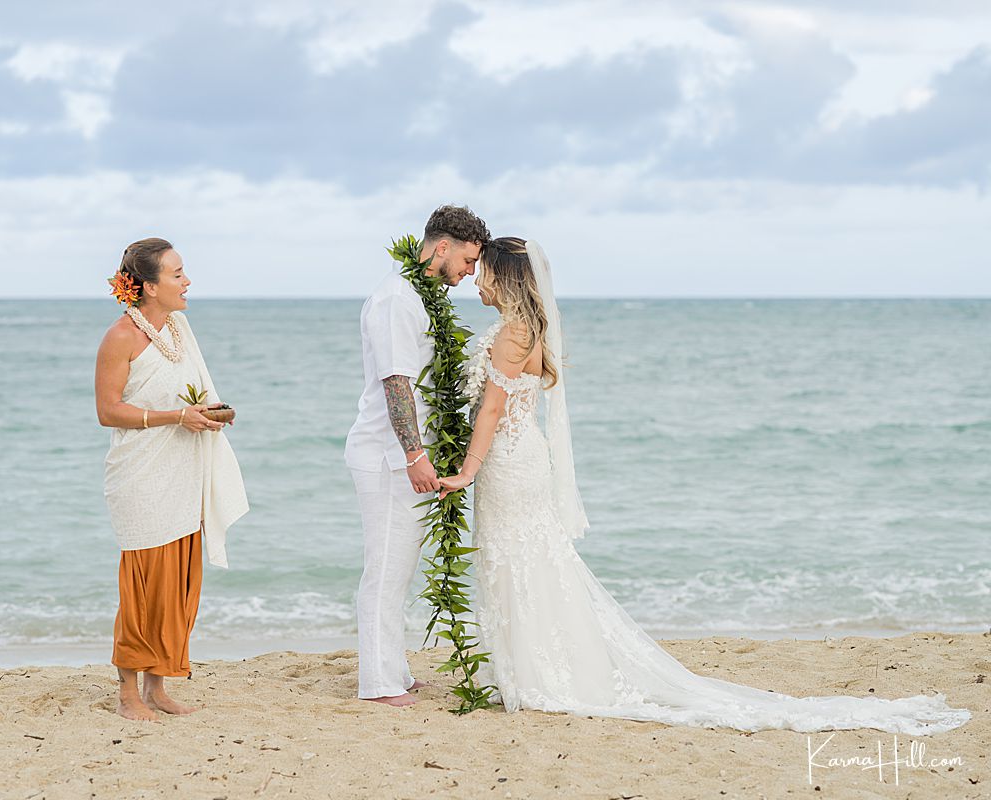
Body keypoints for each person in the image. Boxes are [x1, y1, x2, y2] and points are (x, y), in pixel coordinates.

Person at [436, 236, 971, 734]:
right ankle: (532, 665)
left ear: (506, 280)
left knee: (516, 560)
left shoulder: (513, 333)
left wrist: (467, 469)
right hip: (525, 457)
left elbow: (491, 409)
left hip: (508, 460)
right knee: (531, 561)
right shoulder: (530, 329)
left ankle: (532, 671)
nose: (477, 282)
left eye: (483, 274)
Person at [95, 237, 249, 722]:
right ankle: (127, 694)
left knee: (179, 582)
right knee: (143, 586)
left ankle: (158, 687)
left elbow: (195, 391)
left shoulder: (180, 328)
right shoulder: (121, 336)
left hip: (183, 471)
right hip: (141, 475)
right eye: (177, 274)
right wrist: (176, 417)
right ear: (147, 286)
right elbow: (108, 411)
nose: (187, 282)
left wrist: (208, 413)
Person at [344, 205, 490, 706]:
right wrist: (414, 454)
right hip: (387, 454)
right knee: (385, 568)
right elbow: (396, 382)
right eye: (468, 261)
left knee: (398, 567)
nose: (470, 273)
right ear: (442, 247)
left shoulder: (416, 296)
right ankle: (378, 684)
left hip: (404, 453)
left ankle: (395, 671)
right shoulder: (395, 300)